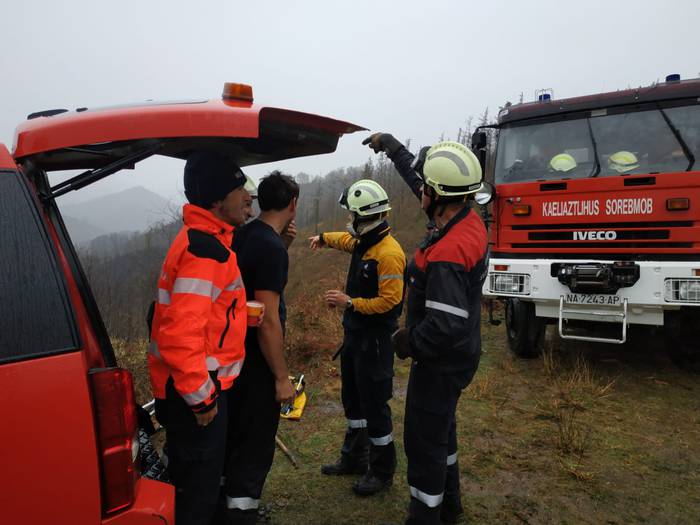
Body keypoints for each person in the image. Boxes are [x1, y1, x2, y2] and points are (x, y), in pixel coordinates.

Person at [364, 134, 488, 524]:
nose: (420, 191)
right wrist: (394, 148)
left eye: (426, 188)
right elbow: (419, 181)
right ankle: (450, 506)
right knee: (442, 431)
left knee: (423, 440)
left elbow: (446, 325)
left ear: (437, 195)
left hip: (441, 360)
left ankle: (426, 513)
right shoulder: (463, 216)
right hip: (460, 355)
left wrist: (408, 341)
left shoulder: (450, 250)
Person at [149, 151, 250, 525]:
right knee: (197, 498)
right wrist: (202, 397)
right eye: (240, 189)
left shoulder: (205, 240)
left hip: (189, 391)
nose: (248, 197)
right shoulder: (204, 250)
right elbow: (178, 335)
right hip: (195, 395)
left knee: (193, 485)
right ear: (216, 199)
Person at [309, 179, 406, 496]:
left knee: (375, 405)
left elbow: (390, 302)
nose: (349, 221)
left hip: (375, 342)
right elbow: (344, 241)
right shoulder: (365, 242)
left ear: (365, 218)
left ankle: (381, 472)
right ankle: (354, 458)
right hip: (354, 338)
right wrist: (323, 238)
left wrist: (349, 302)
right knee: (353, 400)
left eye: (352, 216)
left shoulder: (388, 254)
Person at [223, 171, 299, 524]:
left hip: (232, 358)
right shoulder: (270, 247)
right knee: (254, 444)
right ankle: (243, 514)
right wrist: (282, 378)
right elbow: (268, 318)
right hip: (257, 364)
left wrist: (281, 247)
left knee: (234, 436)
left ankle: (223, 507)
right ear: (293, 205)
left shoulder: (245, 234)